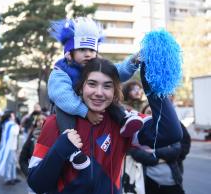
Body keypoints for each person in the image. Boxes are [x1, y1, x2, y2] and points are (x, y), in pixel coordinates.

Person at [27, 58, 183, 194]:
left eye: (107, 86)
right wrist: (60, 149)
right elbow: (36, 184)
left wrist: (152, 80)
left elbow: (170, 133)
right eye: (92, 84)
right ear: (81, 87)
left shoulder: (124, 123)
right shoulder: (54, 123)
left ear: (115, 91)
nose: (99, 92)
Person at [48, 17, 143, 170]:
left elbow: (117, 71)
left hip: (92, 111)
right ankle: (72, 149)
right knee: (62, 109)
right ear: (68, 54)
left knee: (106, 93)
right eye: (82, 50)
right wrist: (86, 112)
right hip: (70, 111)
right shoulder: (60, 71)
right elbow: (62, 96)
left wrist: (133, 62)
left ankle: (124, 119)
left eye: (92, 50)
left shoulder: (96, 67)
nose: (88, 54)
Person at [0, 110, 20, 185]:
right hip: (9, 147)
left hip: (12, 146)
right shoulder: (10, 125)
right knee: (9, 162)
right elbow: (16, 133)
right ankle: (8, 178)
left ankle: (13, 177)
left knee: (13, 162)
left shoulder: (9, 124)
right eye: (13, 116)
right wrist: (17, 126)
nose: (14, 117)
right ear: (9, 117)